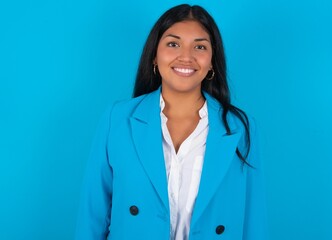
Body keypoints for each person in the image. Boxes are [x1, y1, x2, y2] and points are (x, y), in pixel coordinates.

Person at [75, 4, 267, 240]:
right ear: (155, 55)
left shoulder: (240, 128)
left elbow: (253, 221)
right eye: (173, 44)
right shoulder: (118, 118)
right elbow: (92, 215)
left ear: (211, 62)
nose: (186, 56)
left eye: (199, 46)